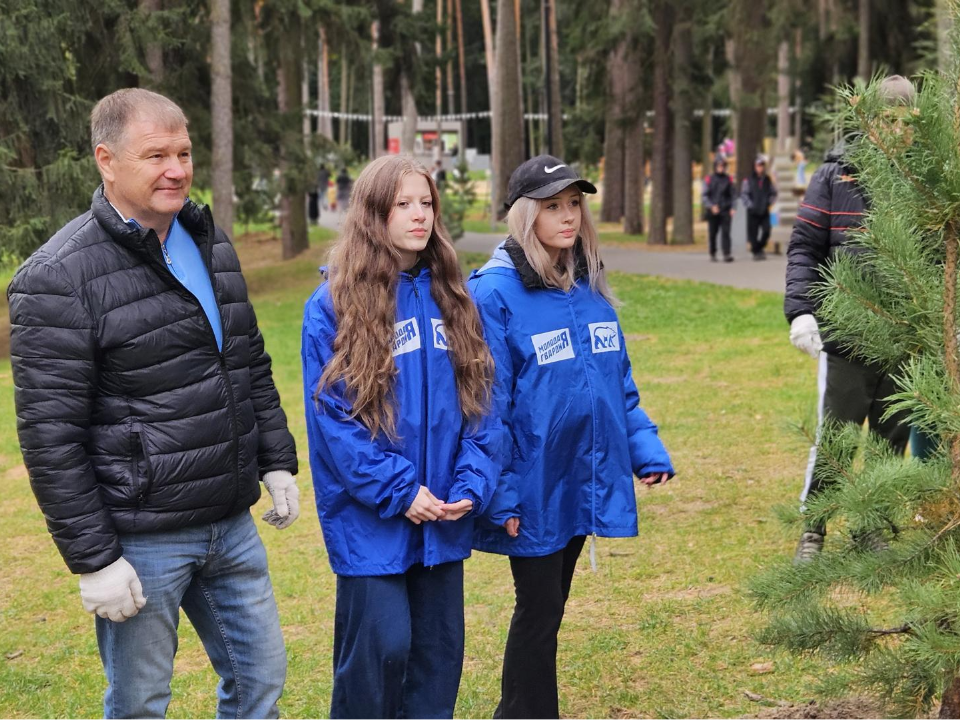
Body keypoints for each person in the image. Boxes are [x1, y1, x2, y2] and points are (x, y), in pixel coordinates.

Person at [7, 88, 299, 718]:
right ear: (106, 160)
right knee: (141, 703)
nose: (176, 169)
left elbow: (245, 359)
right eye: (155, 155)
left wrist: (275, 459)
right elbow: (50, 437)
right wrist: (94, 561)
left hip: (231, 521)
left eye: (185, 152)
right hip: (141, 540)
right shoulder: (56, 276)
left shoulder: (207, 238)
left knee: (261, 682)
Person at [468, 155, 675, 720]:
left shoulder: (588, 285)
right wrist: (501, 492)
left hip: (582, 476)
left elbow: (617, 383)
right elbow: (487, 404)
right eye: (553, 206)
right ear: (525, 215)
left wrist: (643, 448)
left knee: (550, 609)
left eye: (575, 204)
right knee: (538, 611)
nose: (568, 217)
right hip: (533, 485)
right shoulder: (495, 293)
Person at [301, 154, 500, 718]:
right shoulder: (333, 306)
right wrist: (400, 491)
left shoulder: (454, 297)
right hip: (374, 520)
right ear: (373, 214)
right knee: (380, 652)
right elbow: (334, 422)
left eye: (427, 203)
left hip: (444, 512)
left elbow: (484, 399)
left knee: (438, 657)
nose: (419, 215)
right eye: (403, 204)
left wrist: (471, 481)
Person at [785, 75, 916, 563]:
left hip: (906, 335)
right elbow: (804, 246)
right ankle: (814, 529)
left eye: (905, 122)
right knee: (837, 435)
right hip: (847, 331)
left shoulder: (924, 176)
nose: (896, 130)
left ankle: (872, 524)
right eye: (886, 119)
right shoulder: (836, 175)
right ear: (869, 119)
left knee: (892, 433)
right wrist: (801, 311)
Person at [741, 154, 778, 260]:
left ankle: (759, 248)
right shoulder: (748, 180)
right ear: (755, 166)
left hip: (764, 209)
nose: (760, 167)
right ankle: (756, 251)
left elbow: (773, 193)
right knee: (753, 233)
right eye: (758, 165)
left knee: (767, 230)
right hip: (753, 211)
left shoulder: (767, 180)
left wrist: (769, 202)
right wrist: (750, 205)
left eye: (762, 165)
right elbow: (744, 194)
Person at [701, 156, 737, 262]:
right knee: (713, 233)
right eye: (719, 165)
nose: (721, 167)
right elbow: (705, 195)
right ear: (715, 166)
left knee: (726, 232)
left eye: (723, 166)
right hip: (713, 210)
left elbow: (733, 195)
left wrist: (733, 208)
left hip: (725, 209)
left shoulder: (729, 179)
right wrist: (711, 206)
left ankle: (727, 253)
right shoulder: (709, 179)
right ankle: (712, 252)